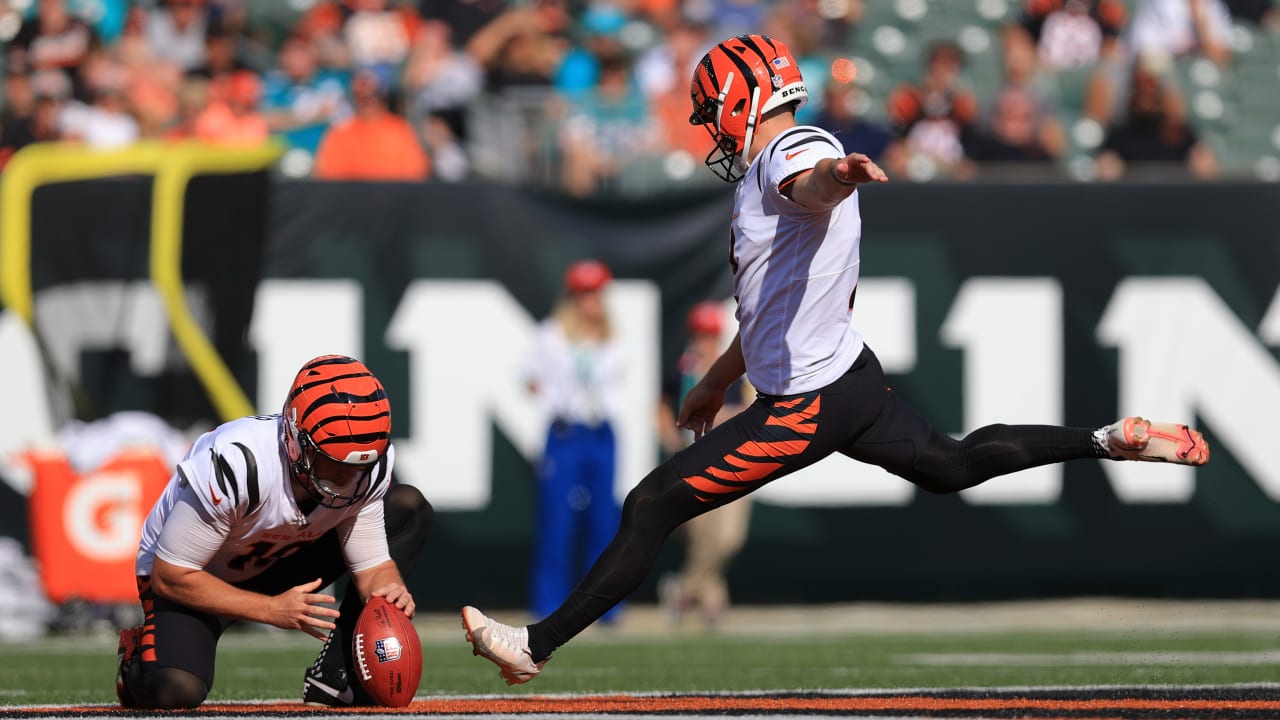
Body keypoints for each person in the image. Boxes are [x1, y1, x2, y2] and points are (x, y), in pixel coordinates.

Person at [460, 33, 1211, 687]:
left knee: (652, 504)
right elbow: (772, 305)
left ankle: (535, 645)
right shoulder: (786, 155)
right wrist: (718, 382)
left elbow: (810, 176)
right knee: (950, 463)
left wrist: (840, 175)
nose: (709, 134)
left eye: (710, 115)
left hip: (809, 402)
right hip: (849, 376)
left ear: (735, 103)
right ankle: (1106, 440)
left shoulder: (789, 151)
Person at [114, 355, 434, 709]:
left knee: (408, 508)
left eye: (356, 467)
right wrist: (270, 609)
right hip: (194, 575)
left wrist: (388, 592)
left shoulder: (365, 470)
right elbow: (170, 575)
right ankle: (135, 663)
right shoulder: (238, 464)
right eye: (331, 464)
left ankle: (336, 676)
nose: (346, 481)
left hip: (278, 558)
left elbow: (372, 567)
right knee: (176, 689)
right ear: (295, 438)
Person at [523, 260, 627, 624]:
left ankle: (605, 607)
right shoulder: (551, 335)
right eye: (584, 294)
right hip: (565, 434)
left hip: (601, 433)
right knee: (558, 522)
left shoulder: (612, 339)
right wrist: (546, 390)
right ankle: (549, 606)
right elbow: (528, 376)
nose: (590, 302)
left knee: (604, 520)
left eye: (595, 293)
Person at [655, 301, 754, 628]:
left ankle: (684, 587)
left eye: (710, 335)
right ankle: (712, 601)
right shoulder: (682, 370)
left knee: (730, 538)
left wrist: (721, 416)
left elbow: (752, 408)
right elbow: (662, 406)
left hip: (737, 460)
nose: (705, 342)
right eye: (700, 335)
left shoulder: (735, 369)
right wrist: (670, 438)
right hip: (697, 463)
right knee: (703, 537)